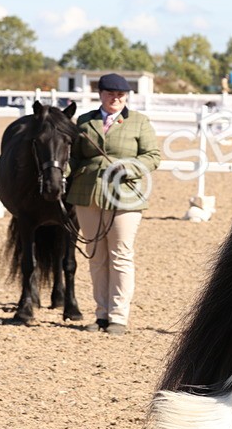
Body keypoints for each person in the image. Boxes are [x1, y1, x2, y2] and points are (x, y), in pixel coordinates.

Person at [67, 73, 161, 336]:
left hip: (125, 194)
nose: (115, 99)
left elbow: (153, 156)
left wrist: (128, 168)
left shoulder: (139, 122)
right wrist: (60, 172)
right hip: (87, 194)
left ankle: (118, 316)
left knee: (120, 254)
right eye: (110, 94)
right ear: (101, 94)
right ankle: (101, 314)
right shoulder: (85, 121)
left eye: (120, 95)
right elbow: (73, 157)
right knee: (96, 256)